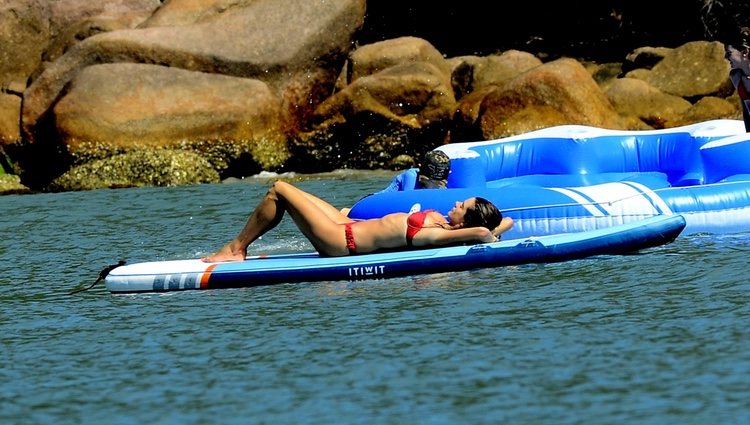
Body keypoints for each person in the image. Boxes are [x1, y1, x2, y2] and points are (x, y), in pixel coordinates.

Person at [202, 181, 514, 262]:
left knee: (279, 190)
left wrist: (483, 233)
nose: (457, 202)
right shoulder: (443, 225)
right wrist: (495, 230)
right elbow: (506, 222)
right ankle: (236, 247)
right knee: (286, 191)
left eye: (464, 206)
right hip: (342, 224)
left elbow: (482, 231)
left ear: (465, 223)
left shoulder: (433, 236)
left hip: (339, 242)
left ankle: (236, 247)